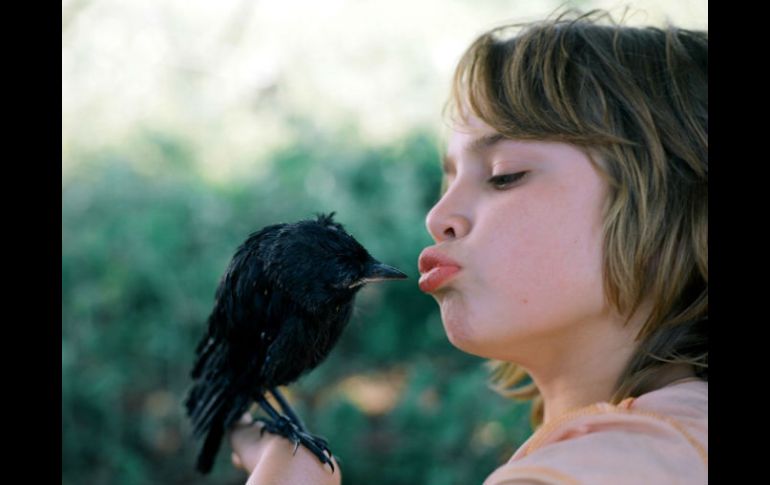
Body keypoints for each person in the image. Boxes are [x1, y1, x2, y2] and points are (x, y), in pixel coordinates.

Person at [228, 8, 708, 484]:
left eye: (504, 174)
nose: (438, 216)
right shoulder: (666, 442)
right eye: (451, 177)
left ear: (670, 208)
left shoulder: (626, 458)